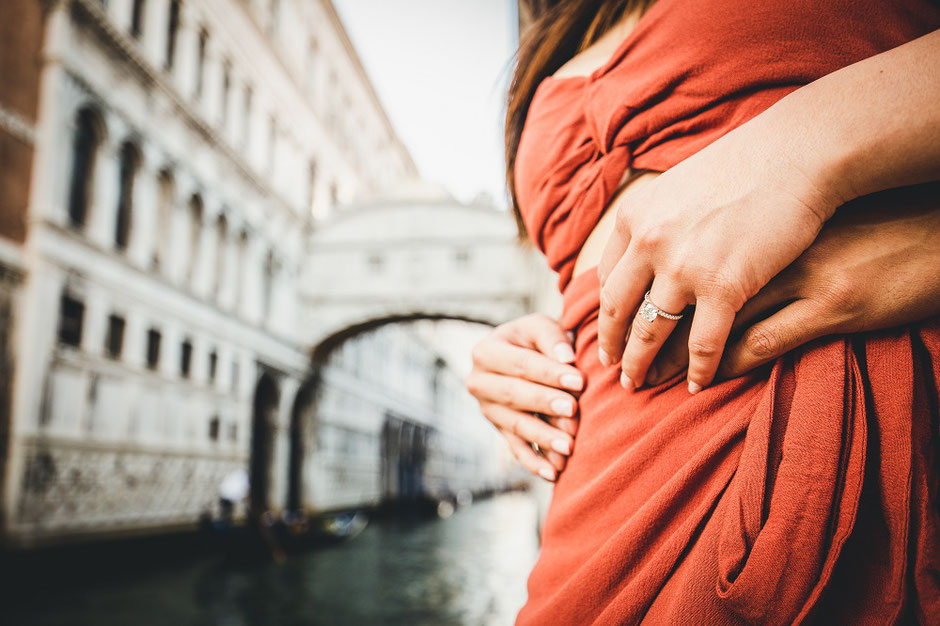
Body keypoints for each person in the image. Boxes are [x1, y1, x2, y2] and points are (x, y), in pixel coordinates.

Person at [464, 1, 940, 623]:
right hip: (592, 498)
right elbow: (595, 261)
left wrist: (805, 154)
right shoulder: (553, 26)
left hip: (816, 419)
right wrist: (535, 349)